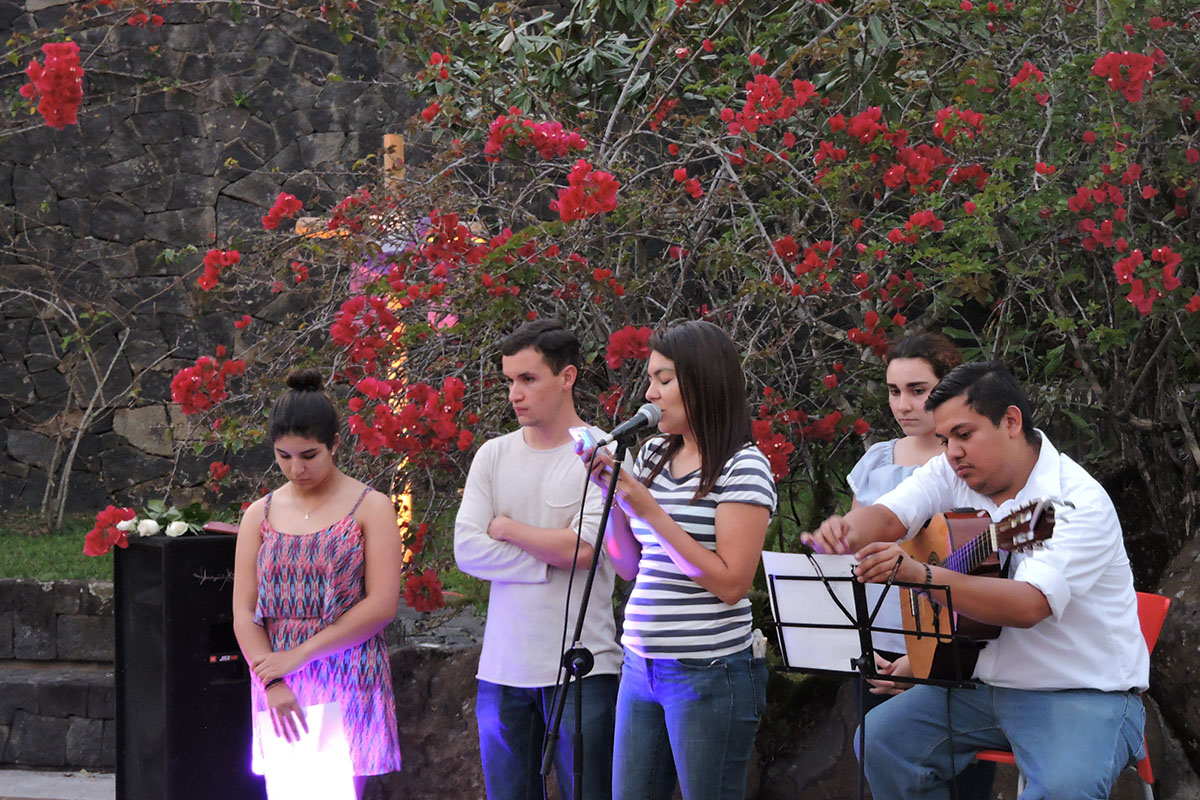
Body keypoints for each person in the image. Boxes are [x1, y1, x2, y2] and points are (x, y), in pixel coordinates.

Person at [805, 362, 1148, 800]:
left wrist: (924, 577)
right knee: (880, 741)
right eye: (945, 439)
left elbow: (1027, 605)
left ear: (1010, 421)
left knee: (1065, 789)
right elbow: (892, 515)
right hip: (984, 685)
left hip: (1081, 691)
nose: (951, 452)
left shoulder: (1068, 503)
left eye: (964, 435)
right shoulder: (954, 471)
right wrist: (847, 530)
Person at [578, 320, 776, 800]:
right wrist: (615, 499)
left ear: (703, 380)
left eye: (664, 379)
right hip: (640, 664)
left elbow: (730, 583)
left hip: (709, 671)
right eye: (651, 379)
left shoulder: (743, 465)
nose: (651, 393)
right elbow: (631, 564)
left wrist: (649, 508)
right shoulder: (652, 454)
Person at [453, 319, 622, 800]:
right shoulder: (492, 455)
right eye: (509, 381)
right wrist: (549, 557)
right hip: (502, 670)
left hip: (583, 669)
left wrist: (506, 530)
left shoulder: (602, 451)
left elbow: (585, 549)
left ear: (566, 377)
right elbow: (466, 549)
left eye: (528, 379)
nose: (514, 394)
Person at [232, 369, 403, 799]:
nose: (296, 468)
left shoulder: (372, 507)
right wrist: (272, 679)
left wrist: (299, 656)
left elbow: (381, 604)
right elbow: (244, 611)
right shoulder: (260, 514)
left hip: (348, 666)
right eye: (284, 456)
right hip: (278, 678)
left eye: (309, 455)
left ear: (335, 445)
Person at [847, 331, 963, 702]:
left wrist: (919, 661)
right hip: (875, 642)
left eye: (918, 390)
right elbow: (853, 557)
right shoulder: (878, 458)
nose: (903, 405)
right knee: (872, 748)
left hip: (947, 638)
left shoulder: (967, 463)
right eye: (894, 392)